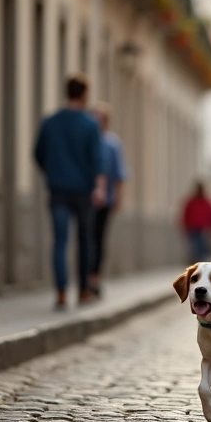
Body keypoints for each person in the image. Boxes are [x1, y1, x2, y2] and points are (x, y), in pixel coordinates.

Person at [33, 74, 106, 309]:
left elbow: (38, 153)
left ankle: (61, 292)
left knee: (59, 241)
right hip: (83, 191)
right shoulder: (90, 124)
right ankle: (83, 290)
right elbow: (97, 160)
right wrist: (99, 187)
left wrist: (53, 172)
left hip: (58, 189)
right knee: (85, 240)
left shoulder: (50, 122)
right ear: (84, 94)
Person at [90, 101, 127, 297]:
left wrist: (118, 199)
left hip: (105, 201)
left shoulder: (112, 144)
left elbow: (119, 175)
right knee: (86, 238)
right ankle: (86, 277)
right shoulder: (87, 141)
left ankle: (95, 276)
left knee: (98, 238)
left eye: (101, 119)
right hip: (86, 199)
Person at [180, 182, 211, 264]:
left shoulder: (203, 202)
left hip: (202, 228)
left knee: (201, 247)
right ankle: (197, 261)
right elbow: (186, 214)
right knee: (196, 247)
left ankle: (200, 261)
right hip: (195, 228)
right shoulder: (193, 201)